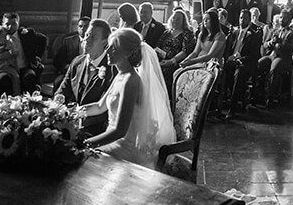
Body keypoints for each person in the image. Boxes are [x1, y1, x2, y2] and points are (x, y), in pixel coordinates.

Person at [82, 28, 175, 169]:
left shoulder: (131, 81)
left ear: (127, 53)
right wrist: (70, 112)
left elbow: (120, 131)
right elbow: (99, 107)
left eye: (113, 48)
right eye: (108, 47)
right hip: (113, 140)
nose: (107, 51)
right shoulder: (121, 75)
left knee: (81, 158)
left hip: (125, 148)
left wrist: (86, 144)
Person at [55, 19, 114, 135]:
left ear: (104, 42)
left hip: (95, 129)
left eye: (93, 37)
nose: (86, 40)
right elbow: (63, 89)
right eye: (87, 35)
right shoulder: (77, 62)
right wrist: (57, 103)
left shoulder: (111, 69)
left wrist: (80, 121)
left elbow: (107, 110)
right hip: (69, 123)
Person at [0, 12, 46, 95]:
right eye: (7, 24)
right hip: (5, 69)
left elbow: (43, 39)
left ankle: (29, 104)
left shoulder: (26, 34)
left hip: (24, 68)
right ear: (2, 24)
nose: (10, 27)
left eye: (14, 24)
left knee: (30, 77)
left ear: (18, 24)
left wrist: (38, 57)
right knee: (3, 79)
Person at [222, 9, 263, 117]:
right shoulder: (234, 32)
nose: (242, 20)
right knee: (221, 69)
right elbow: (228, 49)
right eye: (241, 17)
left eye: (245, 18)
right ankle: (219, 105)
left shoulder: (253, 35)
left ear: (249, 20)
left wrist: (240, 58)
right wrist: (229, 58)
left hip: (246, 63)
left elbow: (254, 55)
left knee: (239, 73)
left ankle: (232, 107)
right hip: (233, 60)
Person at [155, 10, 195, 93]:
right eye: (174, 18)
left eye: (178, 18)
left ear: (183, 21)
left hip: (176, 63)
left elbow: (185, 51)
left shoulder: (187, 33)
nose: (175, 20)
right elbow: (158, 46)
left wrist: (171, 61)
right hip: (162, 60)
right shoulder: (167, 32)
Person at [52, 16, 91, 90]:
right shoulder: (68, 41)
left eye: (86, 26)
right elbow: (58, 60)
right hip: (70, 73)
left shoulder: (93, 42)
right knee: (58, 82)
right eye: (80, 26)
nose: (82, 29)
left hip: (88, 73)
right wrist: (67, 67)